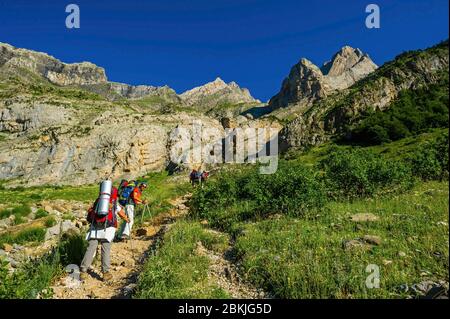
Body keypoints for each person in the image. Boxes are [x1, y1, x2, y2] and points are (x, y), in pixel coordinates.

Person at [80, 186, 129, 282]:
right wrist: (127, 219)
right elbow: (121, 213)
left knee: (91, 248)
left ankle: (83, 271)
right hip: (108, 229)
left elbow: (91, 212)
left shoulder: (99, 200)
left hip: (95, 228)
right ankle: (105, 273)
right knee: (105, 249)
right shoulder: (114, 202)